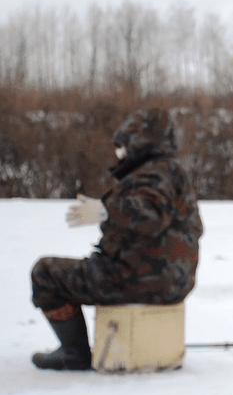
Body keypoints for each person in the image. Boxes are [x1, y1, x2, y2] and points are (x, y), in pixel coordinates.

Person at [30, 108, 204, 371]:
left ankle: (73, 352)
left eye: (123, 145)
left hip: (135, 279)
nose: (119, 152)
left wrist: (106, 211)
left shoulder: (154, 173)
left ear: (141, 142)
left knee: (45, 273)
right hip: (173, 282)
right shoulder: (169, 171)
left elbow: (149, 214)